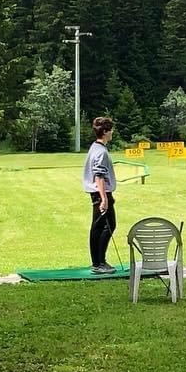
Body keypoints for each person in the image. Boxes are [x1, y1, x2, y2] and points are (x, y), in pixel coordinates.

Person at [82, 116, 118, 274]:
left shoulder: (95, 147)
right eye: (110, 130)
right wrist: (104, 199)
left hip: (100, 193)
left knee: (102, 226)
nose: (112, 133)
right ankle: (98, 263)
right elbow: (99, 176)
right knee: (104, 226)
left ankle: (99, 262)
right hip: (100, 193)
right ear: (104, 132)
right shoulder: (101, 151)